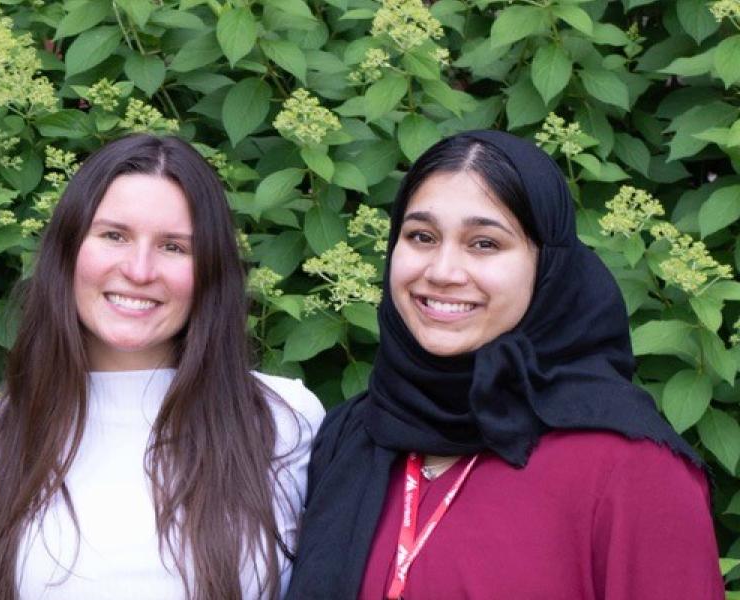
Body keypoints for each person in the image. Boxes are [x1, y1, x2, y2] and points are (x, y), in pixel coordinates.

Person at [286, 131, 719, 599]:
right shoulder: (354, 436)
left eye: (485, 244)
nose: (442, 271)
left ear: (546, 264)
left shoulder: (631, 469)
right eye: (421, 237)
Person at [0, 134, 325, 599]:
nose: (139, 270)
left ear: (209, 271)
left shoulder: (283, 419)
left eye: (174, 247)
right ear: (69, 249)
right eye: (114, 235)